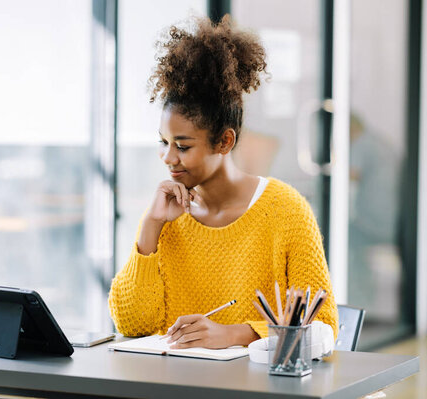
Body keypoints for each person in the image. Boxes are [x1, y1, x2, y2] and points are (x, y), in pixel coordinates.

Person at [108, 15, 338, 349]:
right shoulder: (168, 214)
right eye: (164, 142)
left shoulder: (285, 210)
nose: (168, 158)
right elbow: (133, 324)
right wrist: (150, 228)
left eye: (183, 146)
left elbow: (323, 328)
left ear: (225, 142)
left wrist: (232, 334)